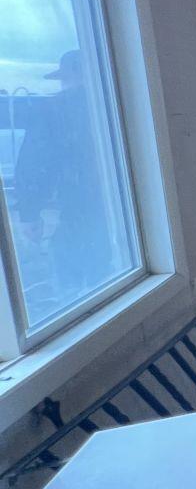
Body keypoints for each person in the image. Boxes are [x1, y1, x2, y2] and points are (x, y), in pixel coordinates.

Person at [11, 49, 117, 310]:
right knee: (107, 267)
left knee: (72, 270)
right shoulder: (114, 103)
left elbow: (35, 163)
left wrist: (29, 213)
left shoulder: (56, 108)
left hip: (78, 206)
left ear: (71, 76)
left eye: (63, 79)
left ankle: (78, 310)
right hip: (115, 206)